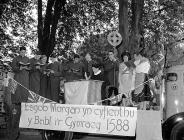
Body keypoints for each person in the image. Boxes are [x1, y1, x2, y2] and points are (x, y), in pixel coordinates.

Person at [9, 46, 30, 140]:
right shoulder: (15, 58)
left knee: (22, 109)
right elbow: (13, 68)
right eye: (21, 52)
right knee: (15, 112)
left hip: (25, 81)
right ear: (19, 52)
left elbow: (30, 68)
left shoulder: (27, 59)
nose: (23, 53)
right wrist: (19, 68)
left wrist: (27, 67)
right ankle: (14, 134)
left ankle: (18, 131)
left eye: (24, 52)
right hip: (17, 81)